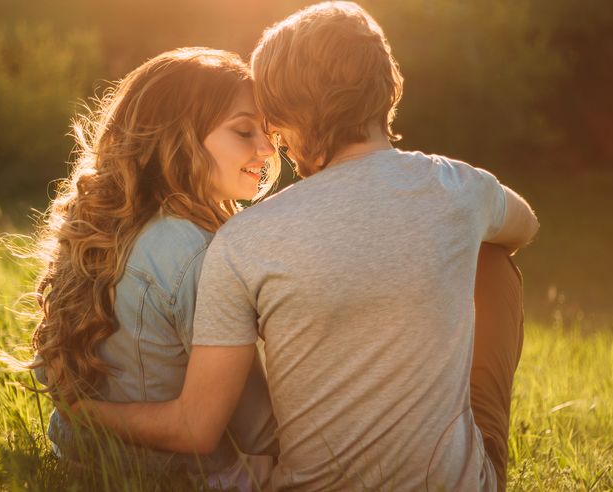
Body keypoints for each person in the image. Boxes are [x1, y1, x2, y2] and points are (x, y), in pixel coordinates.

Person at [72, 3, 539, 491]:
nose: (275, 144)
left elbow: (198, 423)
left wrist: (84, 414)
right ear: (387, 91)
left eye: (273, 124)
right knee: (495, 260)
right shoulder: (458, 186)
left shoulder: (242, 241)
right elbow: (524, 226)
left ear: (292, 114)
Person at [26, 47, 280, 490]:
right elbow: (260, 431)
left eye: (267, 131)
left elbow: (54, 374)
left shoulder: (108, 229)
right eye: (244, 131)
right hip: (180, 477)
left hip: (83, 462)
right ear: (177, 138)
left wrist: (79, 415)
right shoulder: (198, 253)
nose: (266, 148)